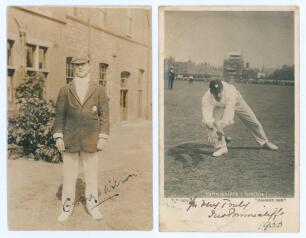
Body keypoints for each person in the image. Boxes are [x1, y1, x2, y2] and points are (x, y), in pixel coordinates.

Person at [53, 56, 109, 222]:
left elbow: (104, 115)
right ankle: (66, 208)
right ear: (72, 68)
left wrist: (103, 137)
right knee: (69, 177)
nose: (79, 68)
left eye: (83, 65)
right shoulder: (65, 89)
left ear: (89, 66)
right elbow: (59, 116)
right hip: (70, 138)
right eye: (76, 65)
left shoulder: (98, 89)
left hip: (91, 139)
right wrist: (58, 136)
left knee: (91, 177)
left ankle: (93, 207)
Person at [202, 79, 278, 157]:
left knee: (253, 121)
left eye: (219, 92)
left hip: (237, 102)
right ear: (211, 92)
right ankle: (221, 148)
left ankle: (264, 142)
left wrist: (220, 128)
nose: (218, 95)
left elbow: (229, 114)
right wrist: (212, 129)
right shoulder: (206, 98)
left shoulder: (229, 93)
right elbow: (207, 117)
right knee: (214, 123)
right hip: (219, 106)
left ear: (222, 89)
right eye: (215, 93)